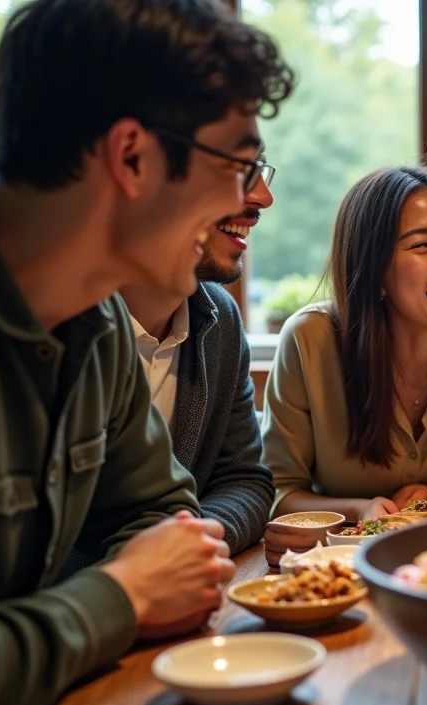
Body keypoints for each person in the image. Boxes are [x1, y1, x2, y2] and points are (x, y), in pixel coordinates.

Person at [0, 0, 295, 705]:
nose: (254, 199)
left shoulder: (91, 319)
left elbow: (167, 525)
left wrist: (144, 579)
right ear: (131, 157)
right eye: (239, 167)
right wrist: (126, 594)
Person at [261, 166, 427, 522]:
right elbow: (278, 491)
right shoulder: (309, 340)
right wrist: (360, 509)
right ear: (375, 273)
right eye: (422, 245)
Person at [113, 148, 277, 555]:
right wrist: (132, 572)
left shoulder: (220, 318)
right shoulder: (64, 324)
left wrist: (191, 545)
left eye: (261, 169)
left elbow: (245, 481)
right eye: (242, 168)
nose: (263, 197)